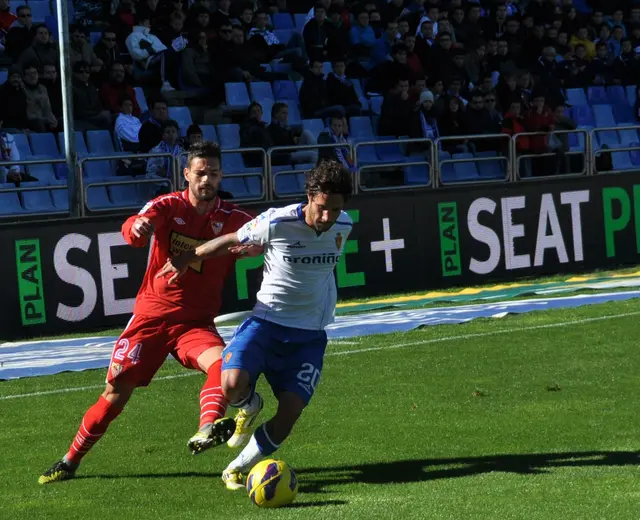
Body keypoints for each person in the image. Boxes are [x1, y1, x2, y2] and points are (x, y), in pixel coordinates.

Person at [38, 141, 257, 485]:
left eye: (213, 173)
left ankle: (206, 429)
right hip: (151, 319)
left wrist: (258, 246)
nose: (207, 180)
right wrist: (136, 228)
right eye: (200, 173)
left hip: (194, 323)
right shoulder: (169, 205)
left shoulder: (234, 219)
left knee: (223, 364)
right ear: (187, 174)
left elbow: (267, 236)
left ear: (220, 175)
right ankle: (69, 461)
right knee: (114, 395)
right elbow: (137, 226)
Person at [155, 160, 354, 491]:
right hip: (266, 323)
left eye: (335, 210)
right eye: (322, 208)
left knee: (289, 414)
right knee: (230, 383)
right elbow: (230, 239)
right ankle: (249, 405)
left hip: (308, 336)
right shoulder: (277, 220)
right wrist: (188, 257)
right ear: (309, 197)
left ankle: (236, 467)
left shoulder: (343, 225)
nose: (327, 217)